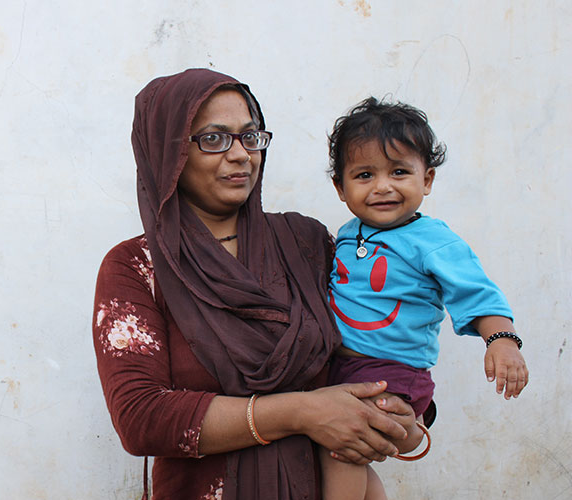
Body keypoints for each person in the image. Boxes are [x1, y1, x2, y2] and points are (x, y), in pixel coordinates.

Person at [92, 69, 423, 500]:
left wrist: (405, 413)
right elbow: (141, 418)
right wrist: (301, 412)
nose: (240, 155)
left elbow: (378, 331)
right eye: (214, 139)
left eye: (250, 137)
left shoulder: (306, 244)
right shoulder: (137, 267)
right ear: (167, 152)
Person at [320, 96, 529, 499]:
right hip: (341, 368)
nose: (383, 186)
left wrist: (502, 341)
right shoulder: (348, 233)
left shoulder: (433, 240)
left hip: (391, 371)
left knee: (342, 447)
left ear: (427, 180)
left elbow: (478, 293)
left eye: (399, 171)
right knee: (352, 453)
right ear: (340, 188)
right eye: (364, 175)